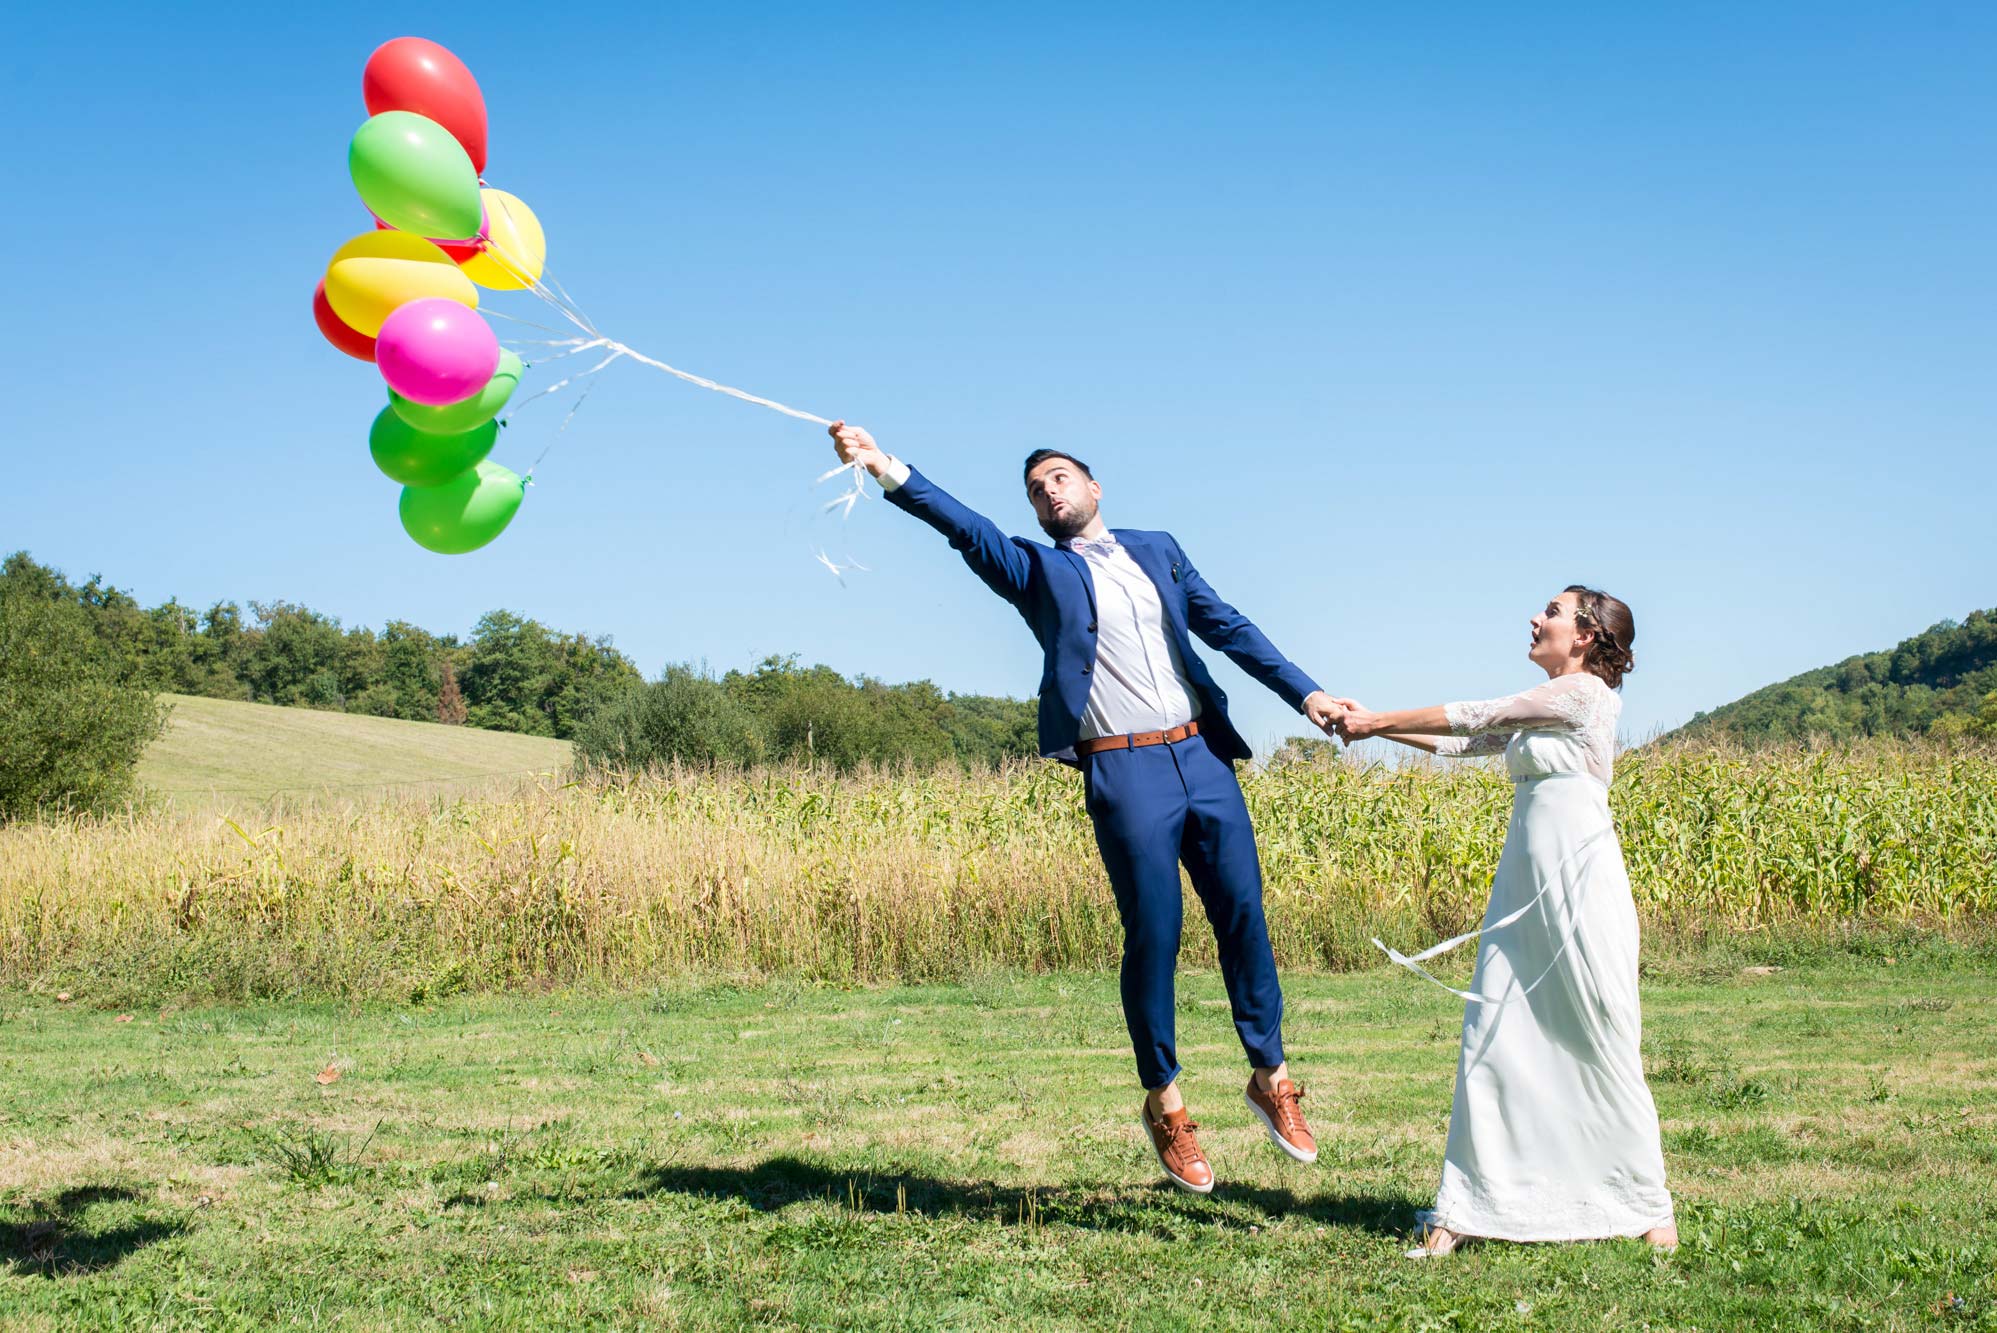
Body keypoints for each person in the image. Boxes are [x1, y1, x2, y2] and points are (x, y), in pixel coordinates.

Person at [829, 421, 1342, 1193]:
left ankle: (1270, 1077)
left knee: (1243, 912)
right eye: (1036, 489)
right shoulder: (1035, 568)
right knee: (1155, 932)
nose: (1047, 490)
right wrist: (881, 466)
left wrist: (1305, 692)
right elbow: (963, 528)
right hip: (1122, 766)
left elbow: (1227, 625)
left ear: (1094, 487)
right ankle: (1166, 1103)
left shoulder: (1158, 548)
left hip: (1201, 754)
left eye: (1060, 478)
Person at [1335, 586, 1678, 1255]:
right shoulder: (1542, 711)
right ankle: (1466, 1206)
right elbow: (1464, 742)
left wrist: (1373, 718)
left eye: (1550, 610)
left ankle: (1643, 1202)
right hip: (1524, 885)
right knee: (1493, 1028)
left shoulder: (1583, 696)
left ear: (1584, 634)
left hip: (1578, 883)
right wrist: (1368, 725)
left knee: (1600, 1027)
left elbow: (1476, 712)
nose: (1534, 617)